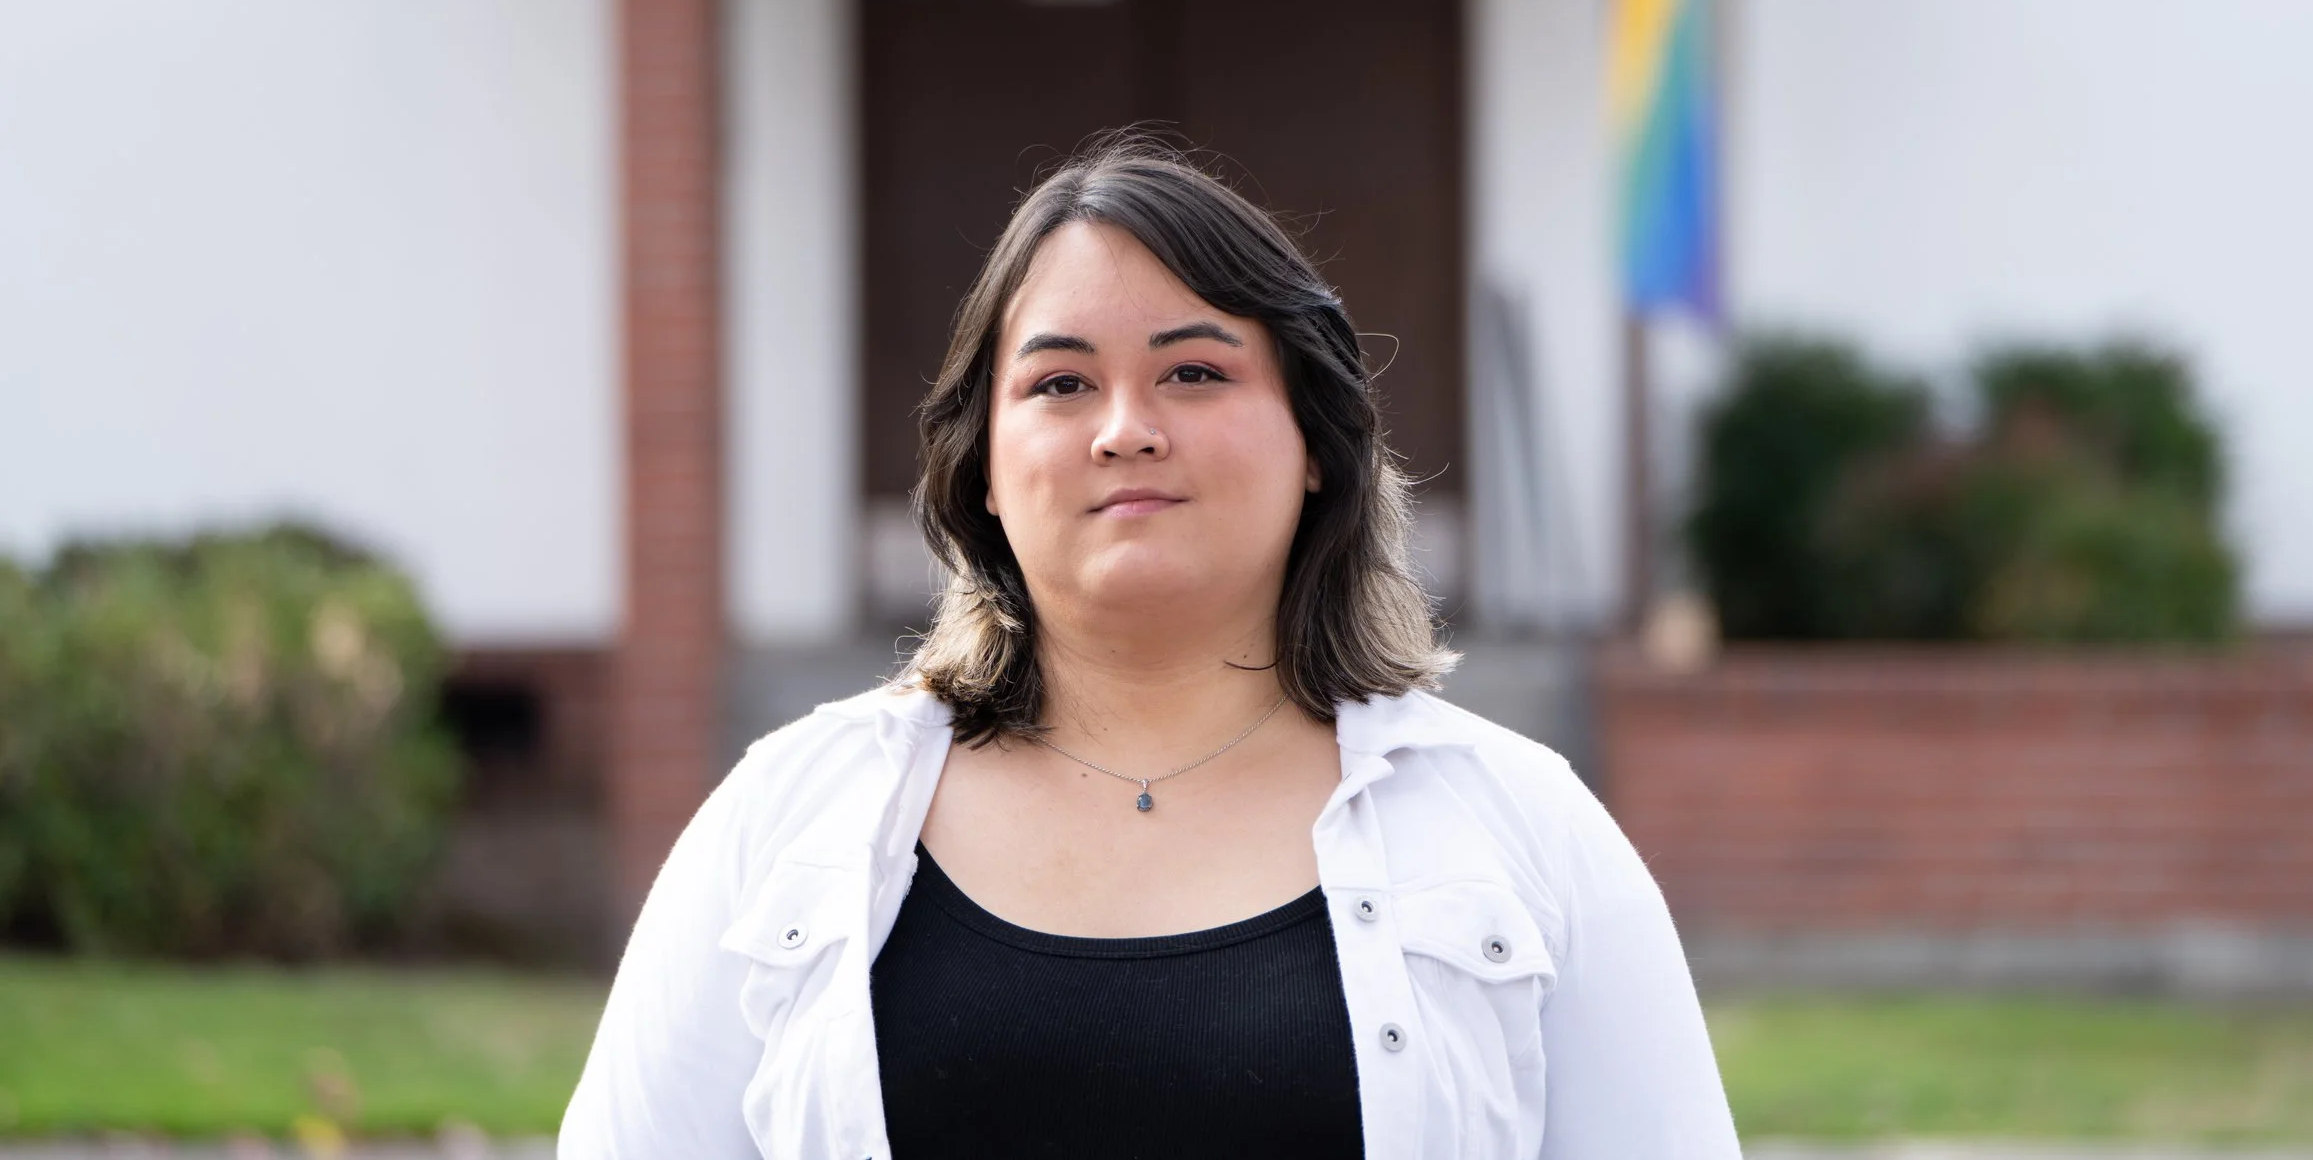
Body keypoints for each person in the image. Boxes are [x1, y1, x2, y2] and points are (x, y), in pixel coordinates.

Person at [559, 135, 1741, 1160]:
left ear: (1314, 439)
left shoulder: (1522, 828)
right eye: (1061, 381)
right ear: (980, 461)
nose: (1126, 430)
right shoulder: (786, 821)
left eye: (1193, 370)